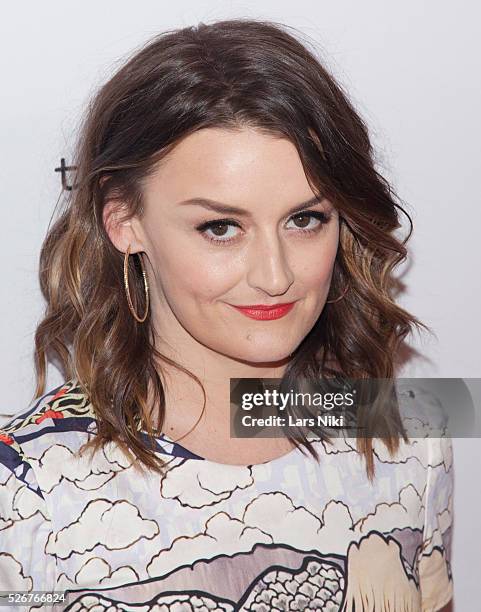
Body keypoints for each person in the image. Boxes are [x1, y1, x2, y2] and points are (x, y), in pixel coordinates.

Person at [0, 18, 453, 612]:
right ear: (124, 222)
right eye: (220, 227)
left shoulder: (406, 434)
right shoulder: (24, 486)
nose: (274, 274)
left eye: (305, 219)